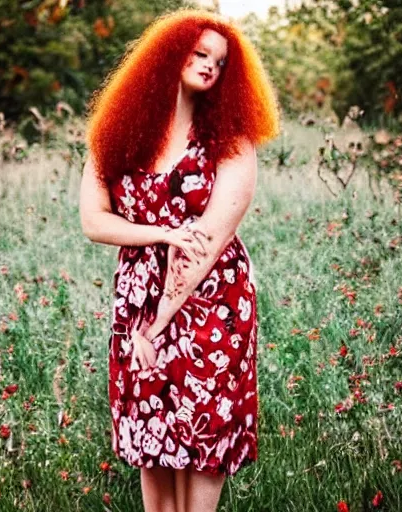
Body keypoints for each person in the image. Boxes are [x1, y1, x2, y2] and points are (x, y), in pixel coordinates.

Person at [79, 8, 280, 512]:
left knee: (203, 440)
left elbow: (207, 242)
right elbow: (94, 221)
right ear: (168, 56)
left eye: (220, 61)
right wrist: (161, 234)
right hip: (139, 296)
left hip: (212, 300)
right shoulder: (118, 133)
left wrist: (157, 323)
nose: (211, 66)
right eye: (199, 53)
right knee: (152, 441)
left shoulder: (231, 141)